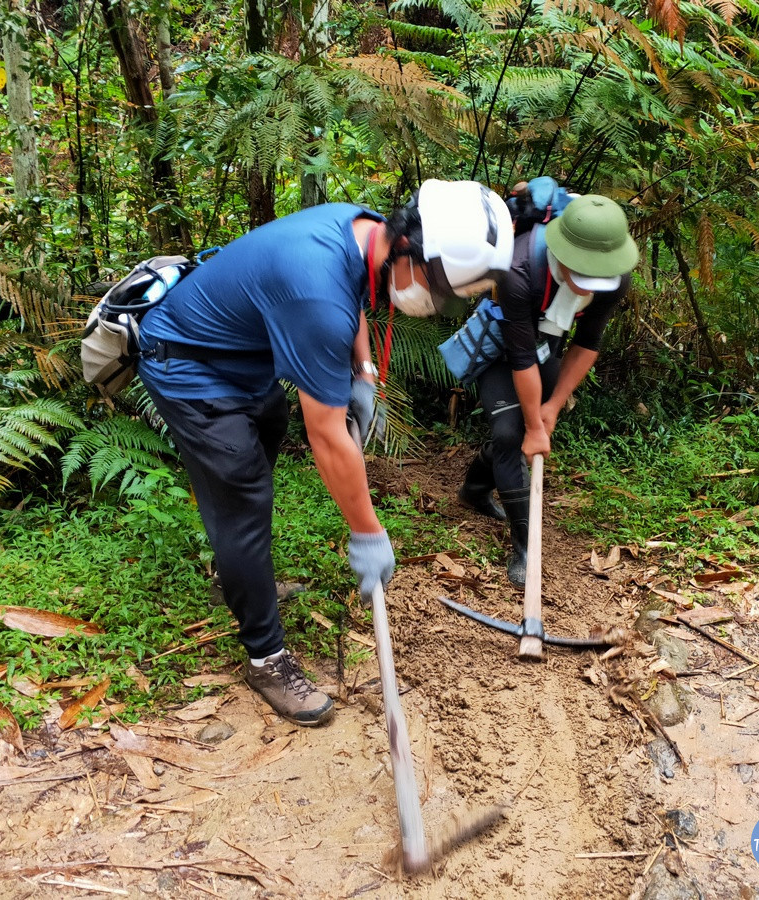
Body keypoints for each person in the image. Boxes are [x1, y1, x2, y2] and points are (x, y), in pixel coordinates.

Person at [136, 181, 514, 726]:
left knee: (266, 429)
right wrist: (367, 533)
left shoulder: (363, 230)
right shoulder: (315, 294)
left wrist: (362, 372)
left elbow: (354, 296)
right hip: (190, 366)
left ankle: (238, 579)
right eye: (439, 289)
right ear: (409, 248)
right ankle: (266, 658)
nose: (436, 305)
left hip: (244, 357)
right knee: (241, 489)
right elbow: (328, 436)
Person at [457, 191, 638, 586]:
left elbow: (587, 343)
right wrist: (535, 429)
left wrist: (553, 406)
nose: (592, 284)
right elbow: (520, 359)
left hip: (547, 347)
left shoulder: (616, 277)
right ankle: (525, 547)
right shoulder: (519, 268)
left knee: (524, 427)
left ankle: (474, 488)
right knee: (511, 434)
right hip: (503, 347)